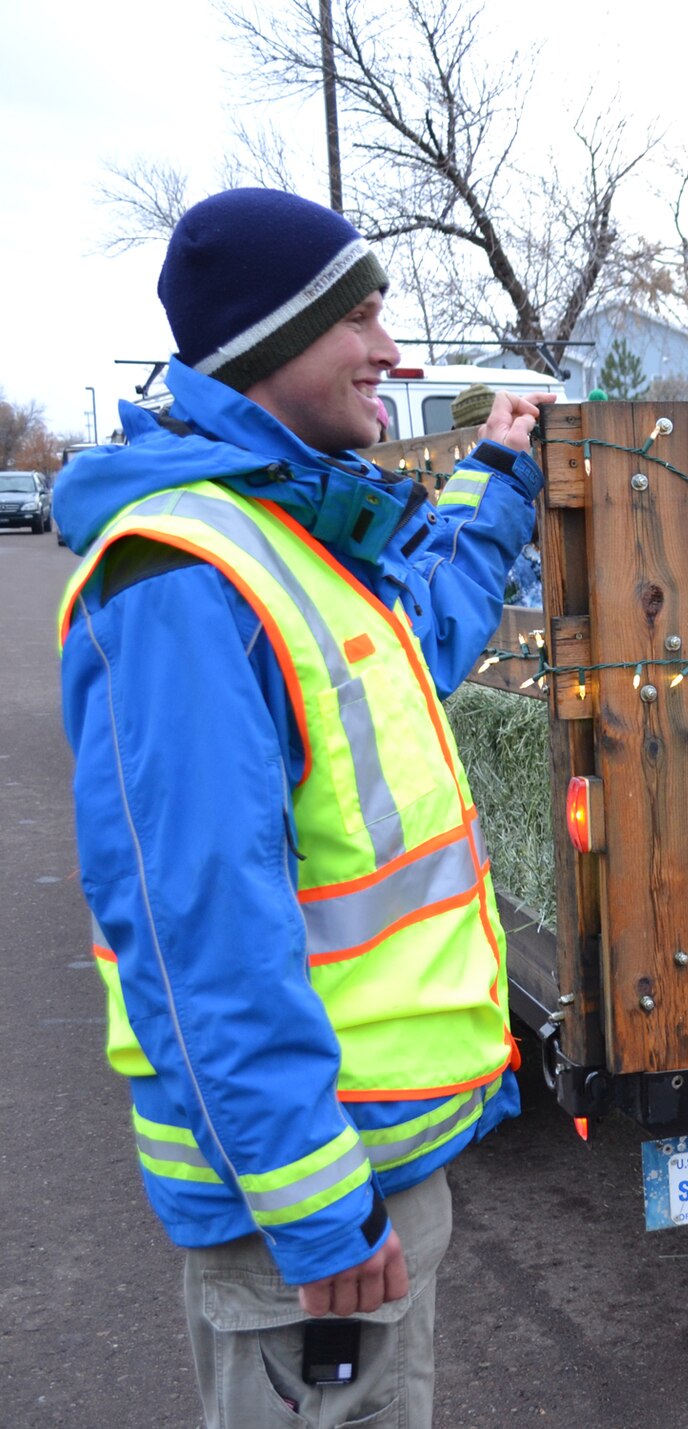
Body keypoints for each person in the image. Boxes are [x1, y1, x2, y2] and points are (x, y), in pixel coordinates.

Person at [54, 188, 546, 1427]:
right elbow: (200, 929)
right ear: (270, 342)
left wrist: (493, 478)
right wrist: (314, 1205)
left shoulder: (289, 534)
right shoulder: (184, 576)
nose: (389, 348)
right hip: (309, 1214)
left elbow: (418, 641)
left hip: (363, 1175)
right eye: (358, 318)